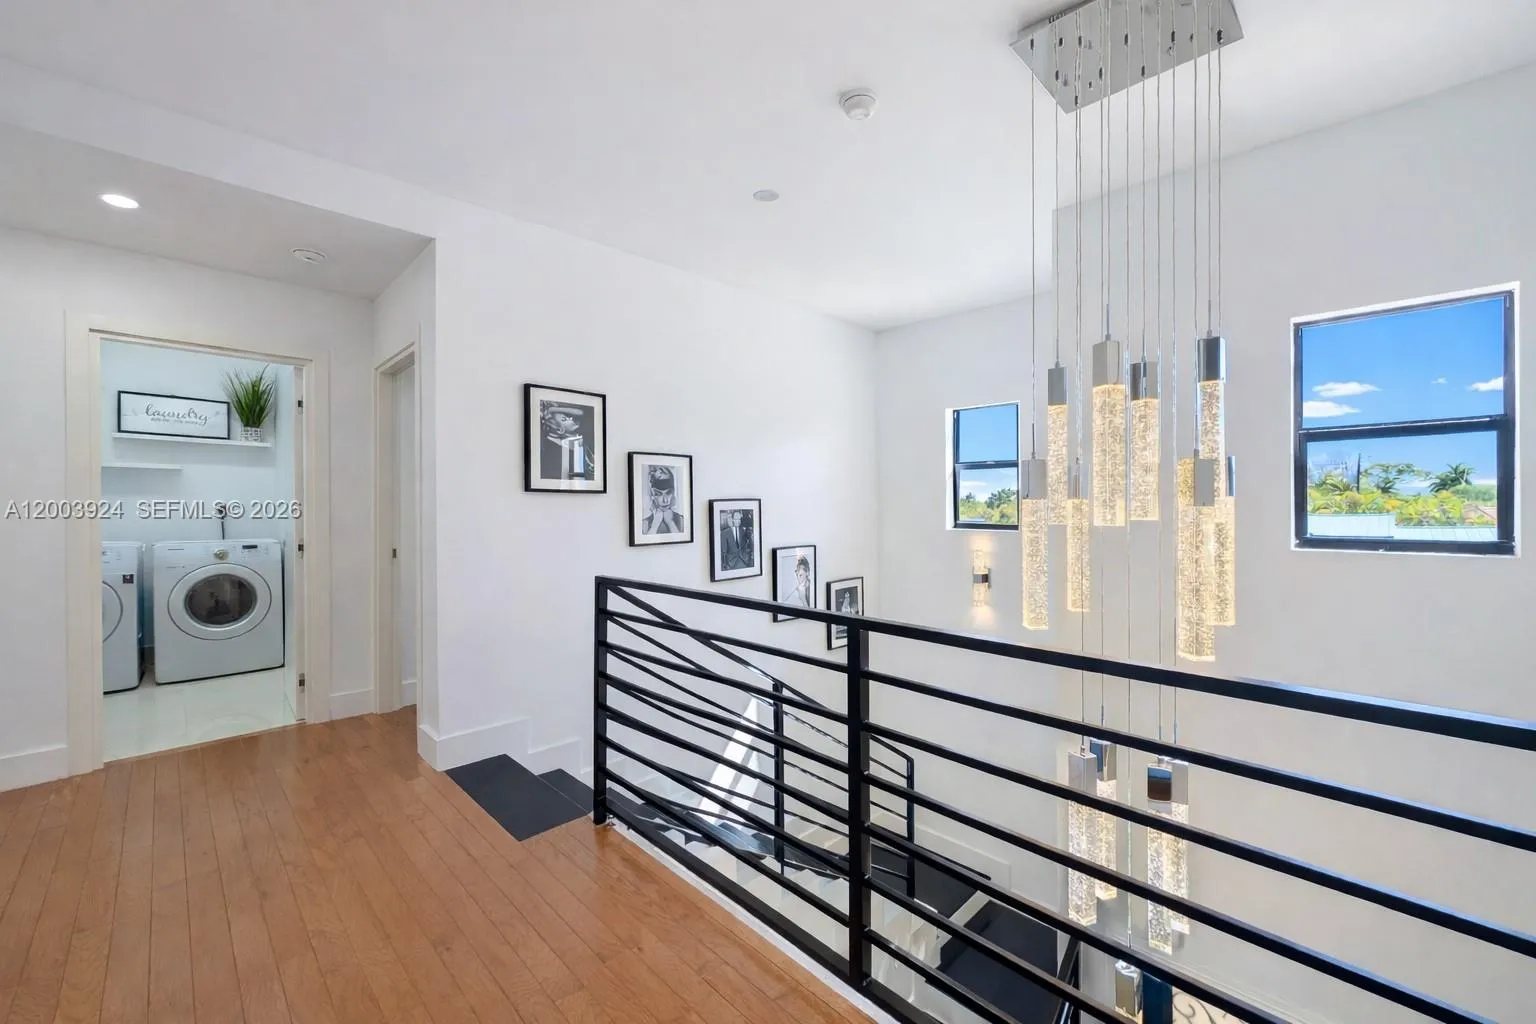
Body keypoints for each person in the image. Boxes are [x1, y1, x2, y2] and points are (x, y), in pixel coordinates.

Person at [539, 402, 593, 481]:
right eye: (565, 419)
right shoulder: (555, 452)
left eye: (568, 416)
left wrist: (552, 409)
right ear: (560, 430)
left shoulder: (584, 440)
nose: (571, 418)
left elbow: (580, 412)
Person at [640, 466, 685, 535]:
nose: (665, 500)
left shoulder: (681, 521)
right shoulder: (644, 524)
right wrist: (654, 526)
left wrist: (670, 523)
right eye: (658, 494)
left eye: (668, 493)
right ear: (652, 496)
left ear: (673, 493)